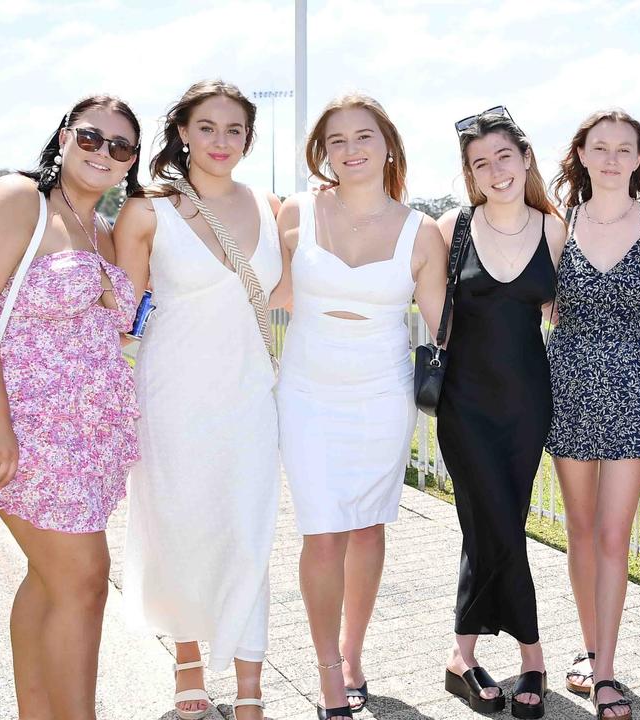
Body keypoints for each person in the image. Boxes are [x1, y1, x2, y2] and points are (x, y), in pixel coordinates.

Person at [274, 93, 446, 719]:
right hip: (308, 393)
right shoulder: (296, 210)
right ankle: (325, 672)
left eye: (363, 136)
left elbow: (443, 324)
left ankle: (353, 656)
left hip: (382, 393)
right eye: (337, 139)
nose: (351, 150)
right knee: (322, 533)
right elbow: (268, 288)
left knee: (368, 526)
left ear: (387, 145)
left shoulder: (420, 230)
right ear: (323, 151)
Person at [114, 79, 281, 720]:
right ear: (182, 132)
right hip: (173, 394)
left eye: (233, 130)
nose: (219, 141)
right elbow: (124, 315)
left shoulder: (269, 206)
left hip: (248, 398)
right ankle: (188, 670)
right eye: (206, 127)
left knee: (249, 534)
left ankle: (249, 690)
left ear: (247, 139)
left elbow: (293, 289)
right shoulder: (146, 211)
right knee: (182, 529)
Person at [0, 96, 142, 719]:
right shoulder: (21, 201)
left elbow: (126, 325)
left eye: (120, 146)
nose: (102, 152)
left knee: (49, 579)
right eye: (91, 136)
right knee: (84, 581)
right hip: (32, 440)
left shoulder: (103, 229)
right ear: (62, 136)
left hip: (90, 448)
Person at [434, 107, 566, 719]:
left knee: (495, 521)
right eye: (480, 162)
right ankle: (533, 655)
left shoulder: (554, 230)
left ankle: (462, 656)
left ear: (525, 158)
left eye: (504, 157)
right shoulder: (450, 227)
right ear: (470, 172)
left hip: (528, 402)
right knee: (496, 522)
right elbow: (427, 305)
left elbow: (570, 316)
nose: (495, 170)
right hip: (465, 403)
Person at [547, 108, 640, 719]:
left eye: (624, 149)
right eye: (600, 147)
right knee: (578, 528)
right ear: (581, 155)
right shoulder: (557, 222)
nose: (611, 158)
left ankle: (605, 671)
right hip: (568, 385)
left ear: (639, 160)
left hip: (632, 388)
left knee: (612, 532)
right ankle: (590, 644)